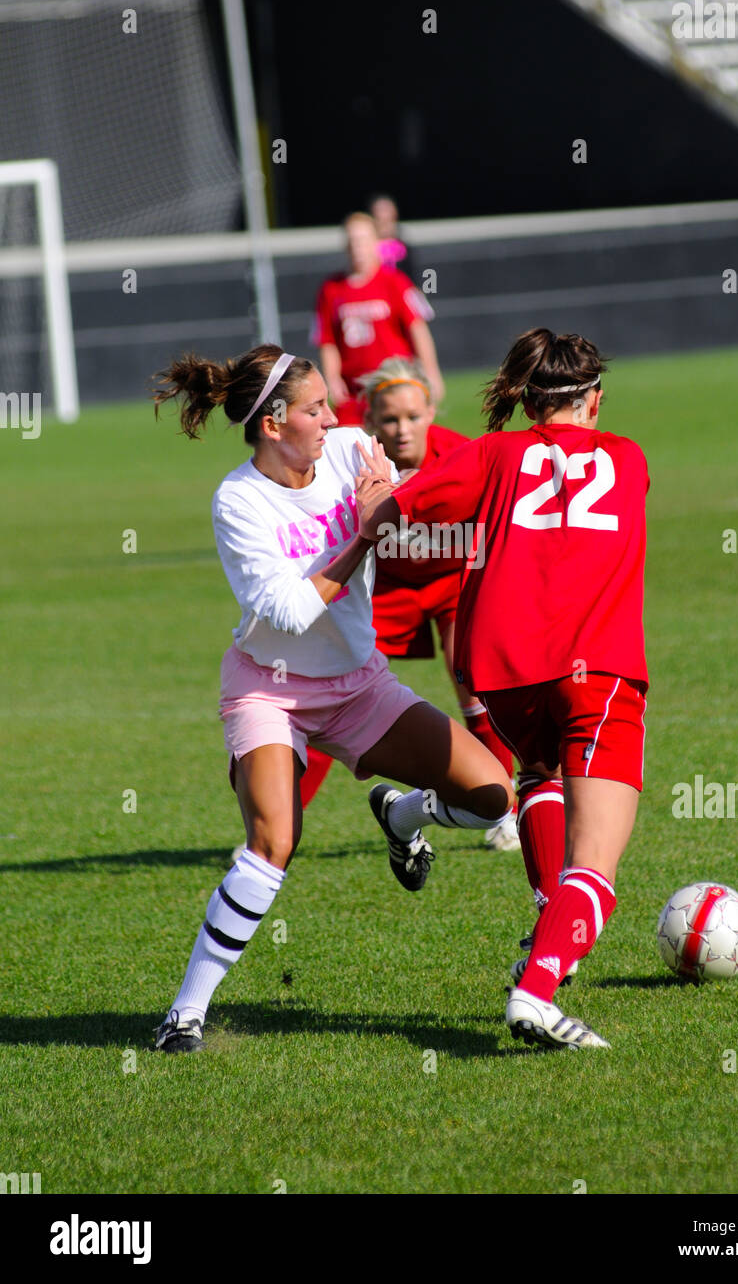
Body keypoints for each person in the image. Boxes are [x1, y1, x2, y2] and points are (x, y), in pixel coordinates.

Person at [150, 346, 514, 1053]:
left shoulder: (349, 448)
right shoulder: (238, 500)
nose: (333, 416)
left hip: (358, 685)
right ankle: (184, 1015)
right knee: (273, 843)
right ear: (275, 422)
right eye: (315, 407)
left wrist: (389, 502)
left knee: (492, 797)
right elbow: (288, 610)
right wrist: (361, 534)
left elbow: (395, 497)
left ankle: (402, 812)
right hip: (269, 690)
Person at [360, 329, 648, 1051]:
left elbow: (390, 518)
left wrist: (374, 497)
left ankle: (546, 932)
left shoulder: (488, 455)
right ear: (595, 398)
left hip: (506, 676)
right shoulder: (628, 458)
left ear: (523, 401)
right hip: (598, 673)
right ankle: (537, 988)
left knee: (539, 776)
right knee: (596, 867)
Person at [296, 357, 520, 853]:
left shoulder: (462, 455)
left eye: (414, 417)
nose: (402, 429)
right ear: (370, 419)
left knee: (478, 686)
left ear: (431, 410)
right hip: (387, 589)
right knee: (335, 693)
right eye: (390, 419)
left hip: (454, 582)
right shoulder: (352, 458)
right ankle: (282, 823)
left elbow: (504, 522)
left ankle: (507, 810)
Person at [312, 211, 444, 425]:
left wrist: (431, 371)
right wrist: (332, 379)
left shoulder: (395, 282)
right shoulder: (331, 289)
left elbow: (417, 329)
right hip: (354, 390)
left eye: (362, 240)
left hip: (394, 382)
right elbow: (327, 341)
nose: (357, 247)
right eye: (352, 241)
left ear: (376, 242)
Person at [368, 192, 415, 279]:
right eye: (378, 210)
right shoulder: (368, 248)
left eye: (385, 210)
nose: (382, 215)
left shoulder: (404, 246)